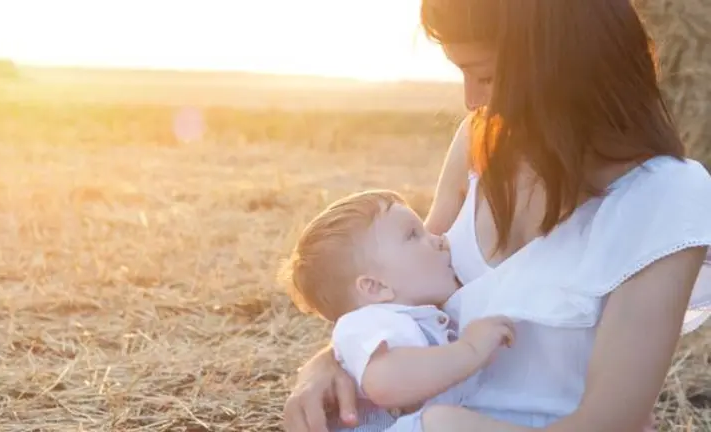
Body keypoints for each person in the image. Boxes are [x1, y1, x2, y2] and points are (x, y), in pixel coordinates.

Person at [282, 0, 711, 431]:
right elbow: (398, 296)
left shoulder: (665, 198)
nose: (471, 101)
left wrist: (446, 425)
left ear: (562, 63)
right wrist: (325, 367)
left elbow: (608, 422)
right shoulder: (479, 142)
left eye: (485, 76)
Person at [279, 189, 517, 431]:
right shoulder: (367, 322)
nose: (439, 239)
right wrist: (470, 349)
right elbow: (384, 382)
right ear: (375, 286)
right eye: (413, 235)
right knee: (440, 423)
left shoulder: (419, 317)